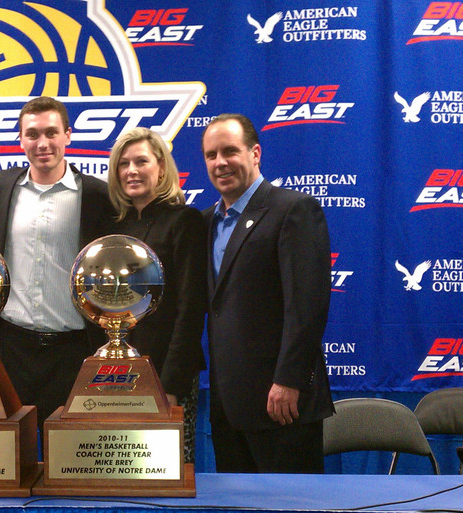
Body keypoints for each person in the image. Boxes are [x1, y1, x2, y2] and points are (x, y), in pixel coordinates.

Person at [201, 113, 333, 473]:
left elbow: (307, 308)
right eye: (211, 155)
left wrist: (289, 380)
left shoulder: (293, 210)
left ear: (255, 153)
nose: (220, 163)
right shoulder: (205, 222)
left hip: (281, 404)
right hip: (228, 408)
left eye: (230, 151)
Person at [0, 96, 115, 423]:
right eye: (33, 134)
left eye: (51, 133)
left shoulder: (98, 195)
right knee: (10, 461)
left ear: (68, 135)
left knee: (71, 462)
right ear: (21, 139)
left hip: (75, 349)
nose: (43, 143)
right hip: (9, 346)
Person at [107, 127, 207, 463]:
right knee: (124, 464)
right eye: (123, 164)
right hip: (119, 371)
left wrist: (172, 384)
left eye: (141, 161)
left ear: (161, 168)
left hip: (167, 369)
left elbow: (191, 308)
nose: (131, 170)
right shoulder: (115, 228)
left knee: (170, 465)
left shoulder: (185, 221)